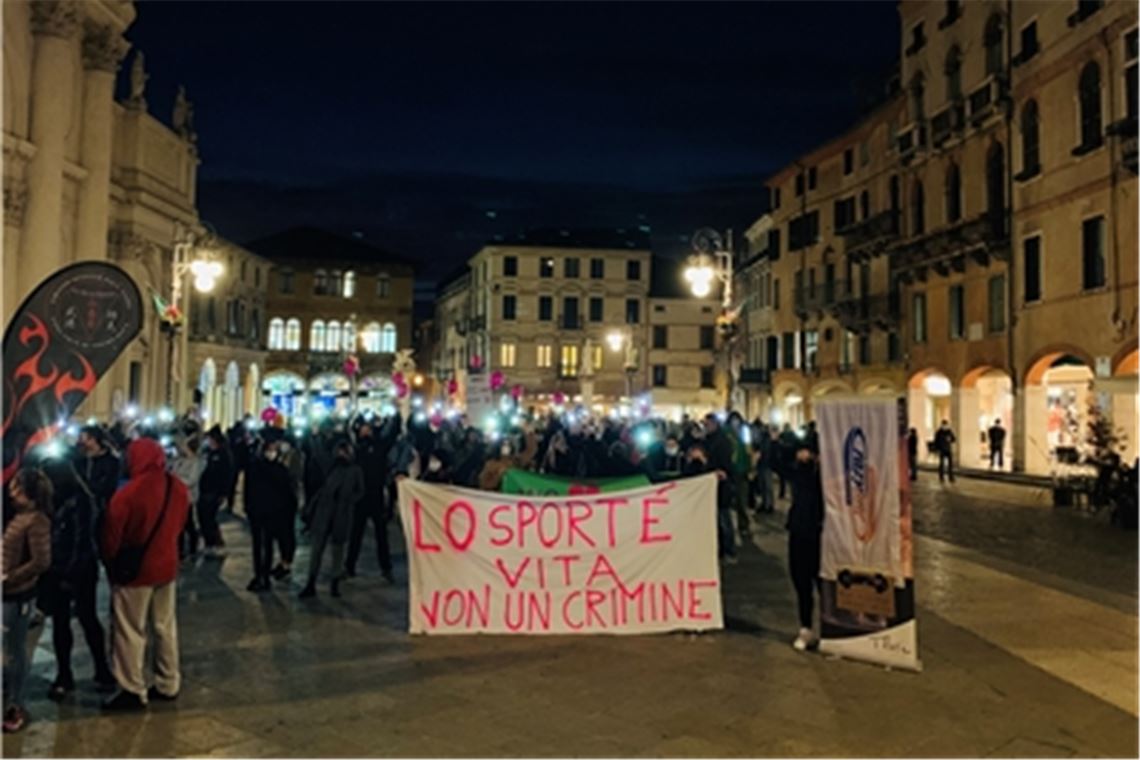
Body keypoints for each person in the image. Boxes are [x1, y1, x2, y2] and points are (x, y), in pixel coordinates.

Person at [101, 438, 190, 711]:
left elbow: (112, 536)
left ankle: (131, 687)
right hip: (167, 565)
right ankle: (168, 681)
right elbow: (182, 523)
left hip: (137, 572)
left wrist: (110, 561)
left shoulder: (128, 494)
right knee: (165, 626)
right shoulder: (177, 486)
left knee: (130, 628)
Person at [37, 457, 115, 701]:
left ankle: (102, 671)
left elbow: (82, 540)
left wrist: (67, 573)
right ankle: (64, 674)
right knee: (61, 623)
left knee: (87, 618)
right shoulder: (51, 501)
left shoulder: (80, 500)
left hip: (79, 569)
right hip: (57, 568)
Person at [3, 468, 53, 732]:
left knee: (15, 651)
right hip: (8, 591)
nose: (11, 492)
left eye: (15, 487)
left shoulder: (36, 520)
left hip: (17, 594)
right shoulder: (18, 516)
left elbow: (41, 560)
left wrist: (10, 578)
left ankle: (15, 703)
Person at [301, 441, 364, 599]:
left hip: (341, 515)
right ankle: (311, 582)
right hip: (325, 513)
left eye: (345, 452)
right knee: (317, 550)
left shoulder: (355, 471)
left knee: (338, 551)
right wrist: (315, 436)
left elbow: (360, 491)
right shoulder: (330, 467)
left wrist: (348, 499)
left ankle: (335, 583)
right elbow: (317, 453)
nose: (342, 455)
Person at [786, 440, 824, 652]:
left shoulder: (822, 477)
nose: (804, 456)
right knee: (801, 584)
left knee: (822, 583)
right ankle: (806, 628)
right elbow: (778, 462)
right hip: (798, 531)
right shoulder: (798, 473)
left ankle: (827, 629)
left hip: (819, 533)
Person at [243, 439, 294, 591]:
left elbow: (287, 494)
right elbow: (248, 490)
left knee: (267, 545)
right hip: (258, 513)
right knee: (259, 546)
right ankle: (260, 574)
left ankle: (263, 576)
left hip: (273, 514)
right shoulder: (255, 468)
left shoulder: (280, 469)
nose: (271, 453)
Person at [345, 423, 393, 584]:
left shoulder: (378, 447)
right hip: (361, 497)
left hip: (375, 495)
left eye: (368, 429)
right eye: (363, 429)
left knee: (381, 534)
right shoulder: (357, 449)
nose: (365, 431)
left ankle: (386, 568)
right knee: (356, 533)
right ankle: (349, 566)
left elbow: (390, 436)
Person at [703, 414, 737, 564]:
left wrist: (719, 470)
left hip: (722, 486)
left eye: (708, 424)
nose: (706, 427)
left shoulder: (722, 441)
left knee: (724, 519)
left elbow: (726, 464)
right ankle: (721, 549)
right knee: (717, 520)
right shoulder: (708, 440)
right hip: (712, 485)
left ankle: (729, 550)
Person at [271, 437, 303, 581]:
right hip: (277, 498)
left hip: (289, 498)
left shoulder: (295, 456)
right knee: (280, 531)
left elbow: (295, 475)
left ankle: (287, 562)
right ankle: (282, 560)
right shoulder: (280, 455)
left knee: (287, 532)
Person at [198, 426, 232, 556]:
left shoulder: (223, 454)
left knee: (209, 518)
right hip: (205, 489)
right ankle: (210, 543)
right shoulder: (208, 452)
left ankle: (215, 543)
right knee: (204, 518)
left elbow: (227, 473)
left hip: (214, 491)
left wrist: (224, 493)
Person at [168, 433, 203, 559]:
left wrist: (176, 480)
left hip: (187, 496)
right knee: (178, 524)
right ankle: (179, 549)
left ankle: (192, 547)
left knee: (187, 523)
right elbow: (172, 471)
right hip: (176, 496)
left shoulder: (195, 462)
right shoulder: (180, 461)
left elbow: (192, 480)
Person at [754, 423, 775, 513]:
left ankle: (768, 504)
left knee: (766, 486)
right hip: (765, 465)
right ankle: (767, 504)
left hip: (765, 465)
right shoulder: (766, 440)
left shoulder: (764, 440)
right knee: (765, 486)